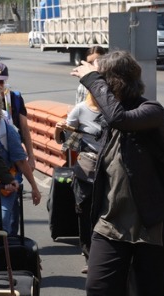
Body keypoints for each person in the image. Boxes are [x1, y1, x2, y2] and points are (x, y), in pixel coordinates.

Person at [71, 51, 164, 296]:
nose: (95, 88)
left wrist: (92, 77)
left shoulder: (151, 112)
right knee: (101, 291)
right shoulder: (108, 118)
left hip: (153, 224)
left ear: (114, 82)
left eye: (103, 81)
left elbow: (119, 117)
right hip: (110, 224)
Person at [0, 87, 42, 235]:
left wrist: (34, 187)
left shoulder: (7, 132)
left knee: (0, 221)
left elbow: (21, 162)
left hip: (6, 185)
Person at [55, 90, 104, 272]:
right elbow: (64, 141)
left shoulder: (112, 109)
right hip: (86, 171)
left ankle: (104, 256)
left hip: (109, 169)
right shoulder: (80, 110)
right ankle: (90, 257)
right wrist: (59, 129)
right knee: (85, 213)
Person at [0, 62, 34, 171]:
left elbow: (24, 128)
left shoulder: (15, 98)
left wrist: (31, 156)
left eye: (1, 82)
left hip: (13, 153)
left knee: (15, 184)